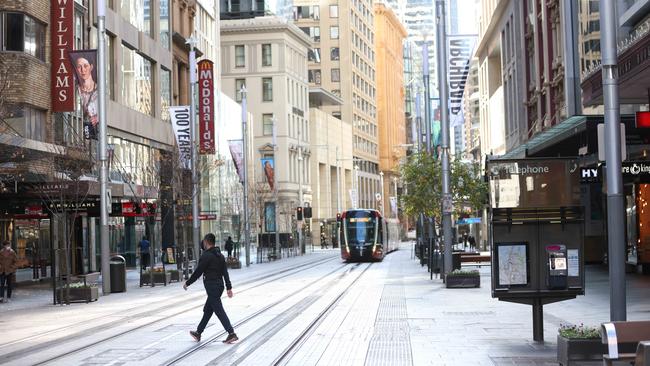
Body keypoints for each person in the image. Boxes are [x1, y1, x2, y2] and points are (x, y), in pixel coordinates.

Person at [184, 233, 238, 344]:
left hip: (212, 286)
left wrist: (187, 283)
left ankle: (231, 333)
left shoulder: (206, 256)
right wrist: (228, 287)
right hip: (219, 286)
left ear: (207, 242)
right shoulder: (220, 255)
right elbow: (225, 273)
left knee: (218, 310)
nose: (202, 243)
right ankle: (198, 332)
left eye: (203, 241)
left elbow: (198, 272)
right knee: (208, 310)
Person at [74, 57, 98, 137]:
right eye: (79, 66)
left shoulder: (98, 91)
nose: (82, 70)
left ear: (91, 67)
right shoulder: (76, 89)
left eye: (85, 66)